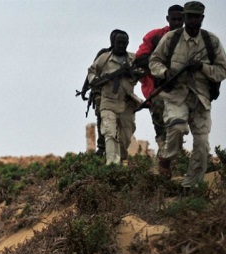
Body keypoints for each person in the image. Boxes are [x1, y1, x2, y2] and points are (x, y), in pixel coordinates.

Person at [149, 1, 226, 188]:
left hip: (201, 99)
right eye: (189, 16)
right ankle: (166, 159)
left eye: (196, 17)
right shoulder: (171, 39)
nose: (193, 20)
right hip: (176, 96)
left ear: (202, 18)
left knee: (202, 145)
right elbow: (154, 62)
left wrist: (202, 67)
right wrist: (165, 73)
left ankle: (190, 186)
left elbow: (222, 70)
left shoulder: (211, 42)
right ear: (184, 18)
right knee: (177, 127)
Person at [134, 5, 185, 157]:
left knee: (179, 125)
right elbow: (140, 59)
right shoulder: (155, 36)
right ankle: (163, 153)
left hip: (182, 89)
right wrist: (162, 66)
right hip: (157, 88)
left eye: (180, 19)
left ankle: (176, 155)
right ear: (168, 19)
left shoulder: (191, 39)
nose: (177, 22)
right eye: (174, 19)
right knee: (160, 122)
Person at [87, 31, 144, 165]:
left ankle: (121, 159)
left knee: (125, 136)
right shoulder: (104, 58)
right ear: (113, 43)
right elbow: (91, 72)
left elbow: (142, 72)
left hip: (127, 103)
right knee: (110, 133)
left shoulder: (133, 58)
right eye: (118, 42)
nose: (121, 45)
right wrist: (95, 80)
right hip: (108, 102)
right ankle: (112, 165)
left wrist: (133, 73)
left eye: (124, 43)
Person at [79, 29, 123, 156]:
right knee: (101, 118)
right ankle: (102, 146)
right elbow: (92, 71)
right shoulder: (104, 54)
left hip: (117, 94)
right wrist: (84, 88)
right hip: (100, 92)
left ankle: (114, 147)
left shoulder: (124, 57)